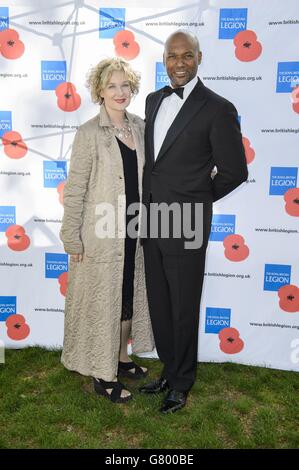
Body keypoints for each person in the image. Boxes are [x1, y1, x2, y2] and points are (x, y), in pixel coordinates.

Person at [139, 31, 248, 413]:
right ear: (164, 59)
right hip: (150, 222)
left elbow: (235, 171)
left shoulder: (218, 108)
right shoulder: (153, 100)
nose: (179, 63)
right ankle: (169, 369)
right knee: (160, 303)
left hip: (186, 223)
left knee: (184, 305)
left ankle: (182, 382)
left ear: (199, 58)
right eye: (173, 56)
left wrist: (195, 200)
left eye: (187, 56)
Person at [60, 58, 154, 403]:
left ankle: (121, 357)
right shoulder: (88, 133)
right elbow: (75, 188)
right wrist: (72, 236)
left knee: (128, 296)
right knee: (104, 304)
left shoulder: (141, 127)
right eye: (112, 86)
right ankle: (102, 374)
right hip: (100, 236)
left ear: (132, 90)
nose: (119, 92)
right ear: (100, 91)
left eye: (125, 86)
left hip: (135, 232)